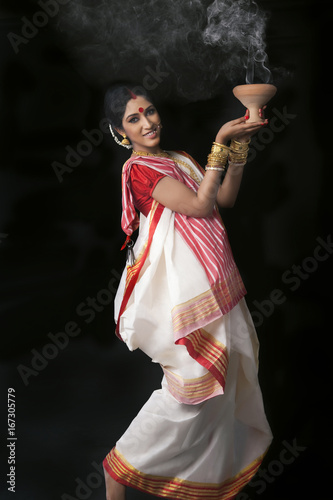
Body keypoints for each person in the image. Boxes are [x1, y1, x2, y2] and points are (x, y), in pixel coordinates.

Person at [102, 83, 273, 500]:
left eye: (150, 112)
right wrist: (220, 140)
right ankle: (117, 468)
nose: (148, 123)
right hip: (185, 294)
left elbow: (223, 199)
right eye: (134, 119)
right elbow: (197, 207)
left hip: (218, 282)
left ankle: (202, 484)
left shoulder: (178, 159)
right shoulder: (139, 170)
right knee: (193, 387)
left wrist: (238, 149)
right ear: (118, 132)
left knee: (225, 384)